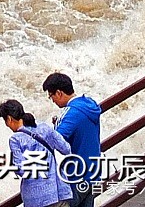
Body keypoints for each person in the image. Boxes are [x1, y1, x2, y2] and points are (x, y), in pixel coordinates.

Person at [42, 73, 102, 207]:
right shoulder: (89, 104)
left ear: (59, 93)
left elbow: (56, 139)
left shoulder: (71, 112)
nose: (52, 100)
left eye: (51, 96)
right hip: (93, 171)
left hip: (77, 174)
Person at [0, 101, 72, 207]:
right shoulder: (44, 127)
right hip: (60, 192)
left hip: (37, 199)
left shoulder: (16, 139)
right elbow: (66, 149)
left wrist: (9, 163)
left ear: (9, 119)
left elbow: (23, 170)